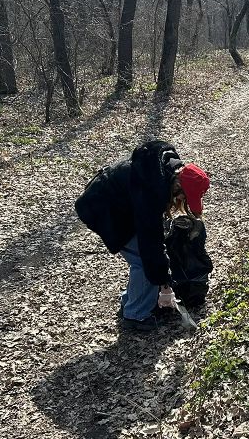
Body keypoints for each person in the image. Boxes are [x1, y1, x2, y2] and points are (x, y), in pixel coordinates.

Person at [74, 140, 210, 332]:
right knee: (143, 259)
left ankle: (131, 300)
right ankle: (136, 315)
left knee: (147, 257)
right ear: (178, 184)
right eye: (183, 196)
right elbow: (150, 245)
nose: (181, 200)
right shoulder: (152, 189)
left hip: (117, 205)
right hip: (100, 209)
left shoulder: (166, 170)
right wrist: (165, 286)